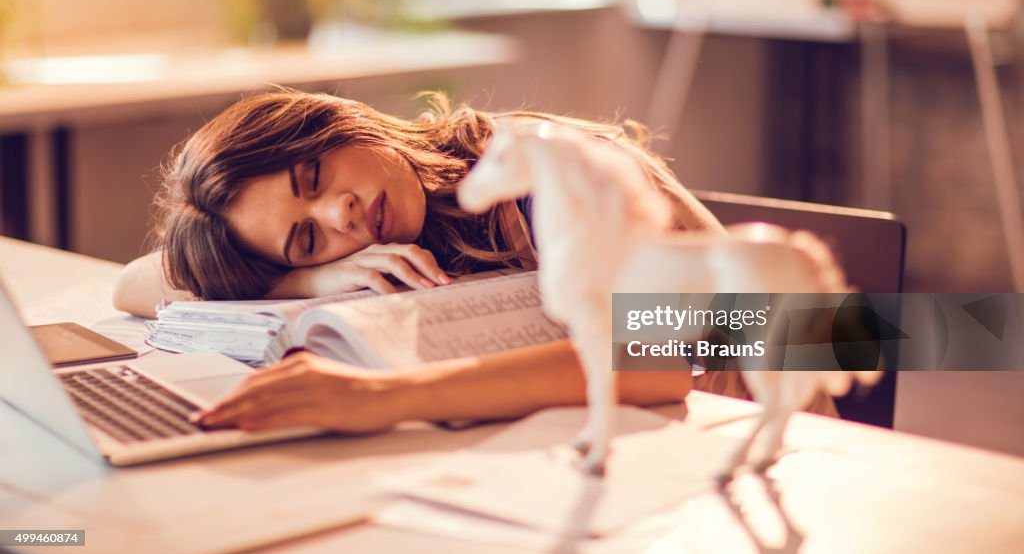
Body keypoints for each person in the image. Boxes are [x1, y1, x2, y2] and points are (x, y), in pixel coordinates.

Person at [113, 89, 725, 433]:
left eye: (316, 176)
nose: (339, 215)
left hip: (763, 393)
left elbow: (660, 360)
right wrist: (308, 275)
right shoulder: (364, 244)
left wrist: (387, 395)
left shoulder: (537, 167)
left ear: (347, 125)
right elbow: (133, 283)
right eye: (305, 237)